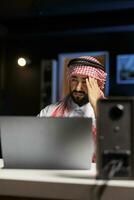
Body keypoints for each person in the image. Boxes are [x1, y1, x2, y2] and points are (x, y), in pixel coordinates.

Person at [38, 55, 107, 163]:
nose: (78, 88)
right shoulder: (49, 112)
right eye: (74, 80)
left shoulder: (112, 114)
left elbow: (117, 146)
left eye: (85, 81)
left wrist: (98, 107)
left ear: (97, 85)